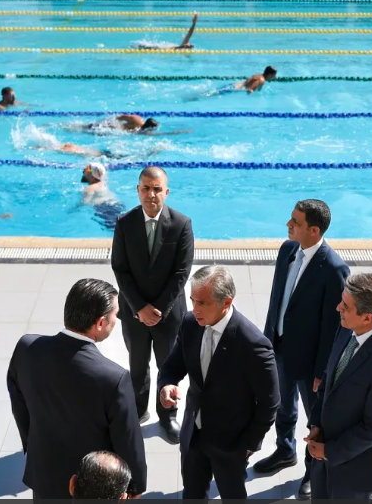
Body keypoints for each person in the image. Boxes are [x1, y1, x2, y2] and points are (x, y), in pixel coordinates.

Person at [6, 278, 148, 499]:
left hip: (43, 474)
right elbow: (127, 439)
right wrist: (135, 484)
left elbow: (19, 403)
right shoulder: (114, 378)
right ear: (100, 323)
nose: (117, 320)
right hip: (93, 485)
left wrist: (33, 446)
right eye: (116, 315)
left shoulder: (27, 348)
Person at [252, 200, 350, 500]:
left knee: (315, 419)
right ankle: (285, 450)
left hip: (310, 362)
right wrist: (268, 341)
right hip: (280, 348)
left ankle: (312, 470)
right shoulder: (287, 250)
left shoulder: (334, 268)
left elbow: (334, 327)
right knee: (282, 406)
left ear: (314, 230)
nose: (288, 224)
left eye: (295, 221)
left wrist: (322, 371)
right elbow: (277, 299)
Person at [157, 265, 280, 499]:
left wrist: (249, 445)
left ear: (227, 302)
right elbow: (172, 366)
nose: (195, 309)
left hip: (232, 445)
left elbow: (269, 403)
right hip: (193, 436)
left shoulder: (253, 344)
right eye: (192, 300)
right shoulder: (190, 323)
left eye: (203, 303)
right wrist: (166, 384)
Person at [305, 273, 372, 500]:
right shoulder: (347, 328)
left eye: (346, 306)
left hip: (354, 471)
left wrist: (329, 451)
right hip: (323, 455)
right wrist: (316, 424)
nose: (338, 308)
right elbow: (328, 381)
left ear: (367, 318)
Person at [111, 166, 194, 443]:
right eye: (146, 188)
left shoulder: (181, 224)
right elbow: (120, 269)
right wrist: (139, 308)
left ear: (166, 192)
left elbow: (181, 273)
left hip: (167, 314)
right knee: (137, 364)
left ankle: (168, 415)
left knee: (168, 366)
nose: (151, 194)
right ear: (138, 190)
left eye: (157, 189)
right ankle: (138, 409)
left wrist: (157, 310)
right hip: (134, 311)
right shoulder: (124, 223)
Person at [81, 163, 125, 230]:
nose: (83, 171)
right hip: (117, 204)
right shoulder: (103, 185)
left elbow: (85, 203)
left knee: (115, 229)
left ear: (92, 175)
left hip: (104, 207)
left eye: (86, 169)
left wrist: (74, 209)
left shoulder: (90, 188)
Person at [78, 115, 190, 136]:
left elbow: (161, 134)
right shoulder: (136, 120)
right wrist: (108, 121)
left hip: (108, 129)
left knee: (84, 129)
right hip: (105, 126)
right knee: (85, 128)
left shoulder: (141, 130)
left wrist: (176, 132)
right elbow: (123, 116)